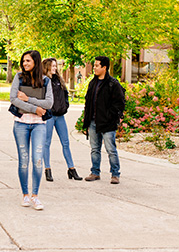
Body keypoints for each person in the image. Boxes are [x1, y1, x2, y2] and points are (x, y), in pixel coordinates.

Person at [9, 50, 53, 210]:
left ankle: (35, 195)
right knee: (24, 161)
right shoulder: (19, 77)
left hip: (39, 125)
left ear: (36, 61)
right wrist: (35, 108)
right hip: (21, 124)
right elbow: (13, 99)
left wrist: (28, 100)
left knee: (37, 160)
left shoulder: (46, 81)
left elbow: (48, 104)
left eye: (28, 61)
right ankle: (25, 195)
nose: (25, 64)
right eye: (23, 61)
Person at [82, 56, 125, 184]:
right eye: (94, 65)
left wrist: (110, 116)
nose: (94, 68)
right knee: (94, 149)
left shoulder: (113, 83)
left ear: (104, 67)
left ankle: (115, 174)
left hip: (108, 123)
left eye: (96, 65)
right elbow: (88, 102)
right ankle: (95, 172)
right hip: (93, 122)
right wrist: (86, 122)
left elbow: (120, 103)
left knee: (111, 149)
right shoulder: (92, 83)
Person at [42, 58, 82, 182]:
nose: (55, 68)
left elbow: (65, 95)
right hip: (49, 116)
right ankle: (47, 169)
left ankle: (71, 169)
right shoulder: (43, 81)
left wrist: (65, 106)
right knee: (47, 143)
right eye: (52, 66)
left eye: (55, 66)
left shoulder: (58, 80)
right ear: (47, 67)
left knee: (66, 143)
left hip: (60, 116)